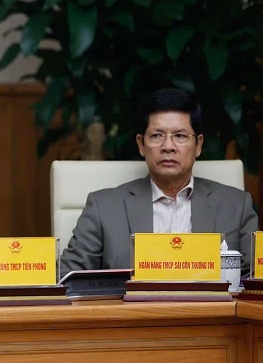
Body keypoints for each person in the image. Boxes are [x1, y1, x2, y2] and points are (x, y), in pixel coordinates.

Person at [59, 88, 258, 277]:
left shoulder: (236, 206)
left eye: (180, 136)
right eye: (157, 136)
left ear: (198, 145)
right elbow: (66, 278)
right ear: (141, 145)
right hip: (131, 312)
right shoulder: (104, 207)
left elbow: (254, 280)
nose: (168, 147)